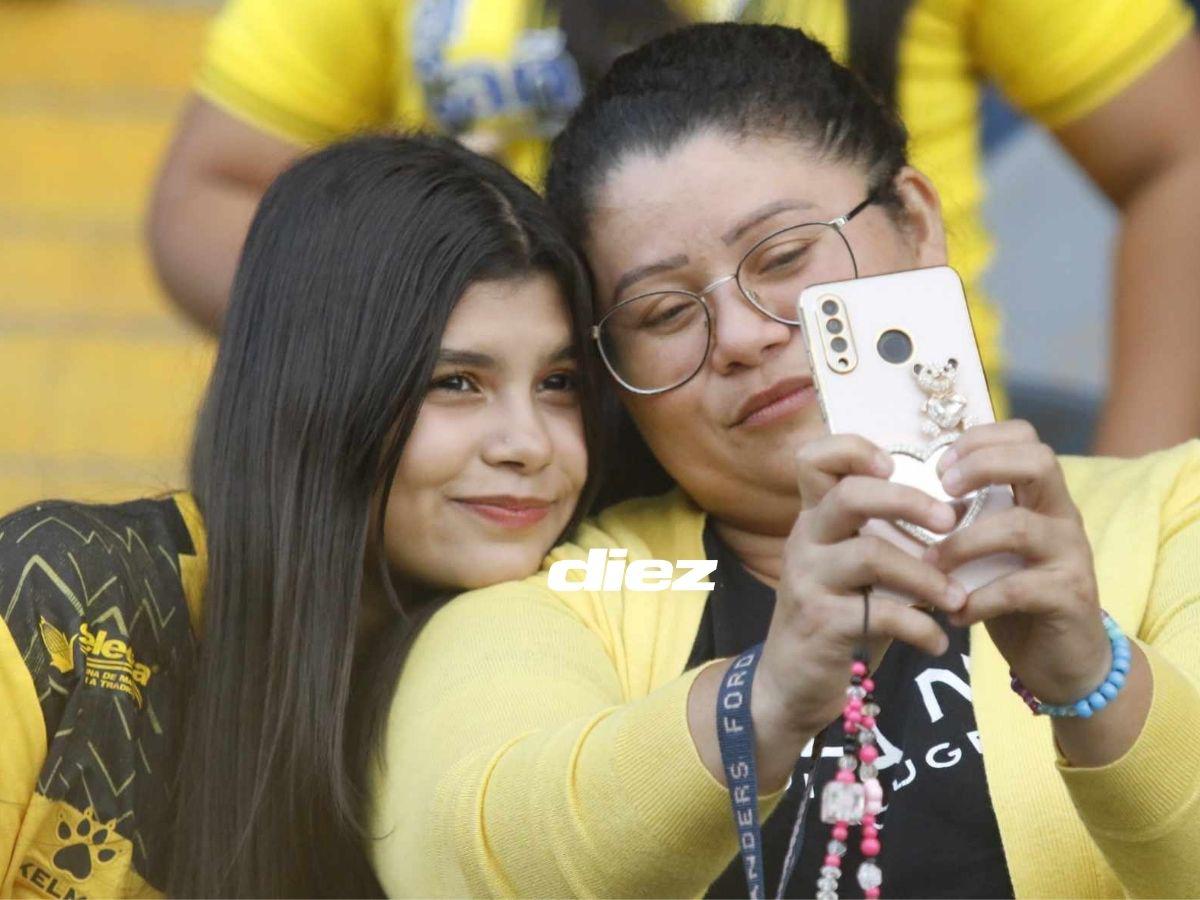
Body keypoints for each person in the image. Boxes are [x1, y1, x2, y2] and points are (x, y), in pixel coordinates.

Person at [370, 25, 1200, 898]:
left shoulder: (1173, 507)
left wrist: (1091, 680)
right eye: (662, 314)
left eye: (784, 255)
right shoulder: (570, 595)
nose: (740, 335)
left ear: (916, 223)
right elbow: (471, 859)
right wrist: (761, 704)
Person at [145, 0, 1200, 457]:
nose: (740, 326)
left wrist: (1114, 503)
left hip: (911, 453)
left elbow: (1176, 153)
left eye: (782, 252)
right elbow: (211, 192)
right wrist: (461, 358)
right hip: (547, 486)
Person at [0, 133, 601, 898]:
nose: (530, 444)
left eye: (558, 382)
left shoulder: (582, 641)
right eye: (455, 383)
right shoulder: (60, 594)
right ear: (318, 392)